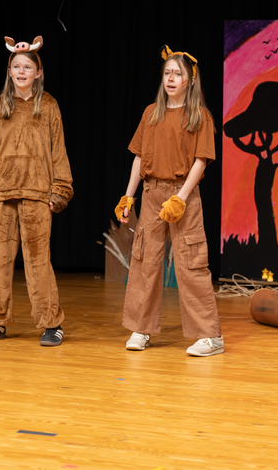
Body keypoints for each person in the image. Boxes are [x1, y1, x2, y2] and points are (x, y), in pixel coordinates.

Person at [115, 45, 223, 357]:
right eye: (167, 73)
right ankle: (141, 328)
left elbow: (201, 161)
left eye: (178, 74)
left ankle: (209, 336)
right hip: (151, 194)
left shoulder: (199, 116)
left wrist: (181, 197)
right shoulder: (151, 113)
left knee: (191, 263)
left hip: (182, 194)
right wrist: (128, 196)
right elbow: (138, 157)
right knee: (144, 260)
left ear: (190, 80)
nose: (171, 79)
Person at [0, 36, 73, 347]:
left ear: (38, 73)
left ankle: (51, 323)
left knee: (38, 262)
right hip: (1, 196)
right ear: (10, 71)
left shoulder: (49, 107)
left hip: (37, 195)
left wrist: (59, 191)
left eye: (28, 66)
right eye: (17, 66)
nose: (22, 71)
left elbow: (58, 152)